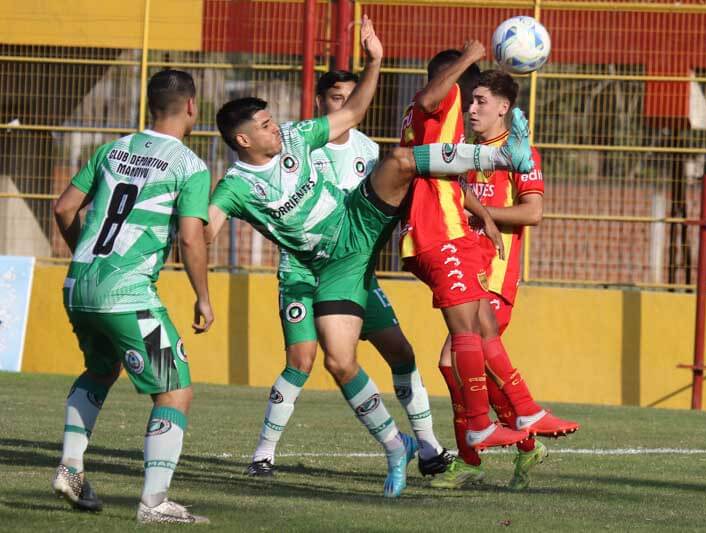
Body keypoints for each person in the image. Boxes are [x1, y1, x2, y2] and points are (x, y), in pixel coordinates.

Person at [205, 16, 534, 496]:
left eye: (272, 121)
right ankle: (392, 445)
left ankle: (496, 156)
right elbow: (204, 228)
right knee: (332, 361)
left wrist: (376, 59)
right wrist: (189, 227)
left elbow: (357, 112)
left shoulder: (304, 137)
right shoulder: (235, 186)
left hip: (357, 223)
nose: (275, 128)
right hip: (318, 267)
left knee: (400, 160)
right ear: (243, 140)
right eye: (264, 125)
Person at [246, 69, 451, 480]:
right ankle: (263, 454)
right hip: (302, 271)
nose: (343, 104)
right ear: (320, 102)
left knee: (402, 353)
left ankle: (429, 448)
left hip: (354, 271)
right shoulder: (294, 144)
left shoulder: (370, 151)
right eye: (336, 97)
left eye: (350, 97)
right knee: (301, 361)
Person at [51, 69, 214, 524]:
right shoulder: (189, 165)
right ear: (191, 107)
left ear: (149, 106)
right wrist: (203, 295)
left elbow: (64, 208)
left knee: (101, 369)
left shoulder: (111, 149)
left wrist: (86, 259)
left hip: (79, 282)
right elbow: (191, 237)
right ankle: (155, 503)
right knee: (174, 390)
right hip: (127, 292)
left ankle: (71, 467)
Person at [433, 69, 580, 490]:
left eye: (480, 101)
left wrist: (475, 213)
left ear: (504, 107)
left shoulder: (520, 152)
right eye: (470, 101)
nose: (472, 108)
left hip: (495, 273)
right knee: (453, 366)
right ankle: (520, 444)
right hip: (465, 267)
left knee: (455, 363)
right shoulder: (464, 150)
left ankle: (477, 456)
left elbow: (533, 213)